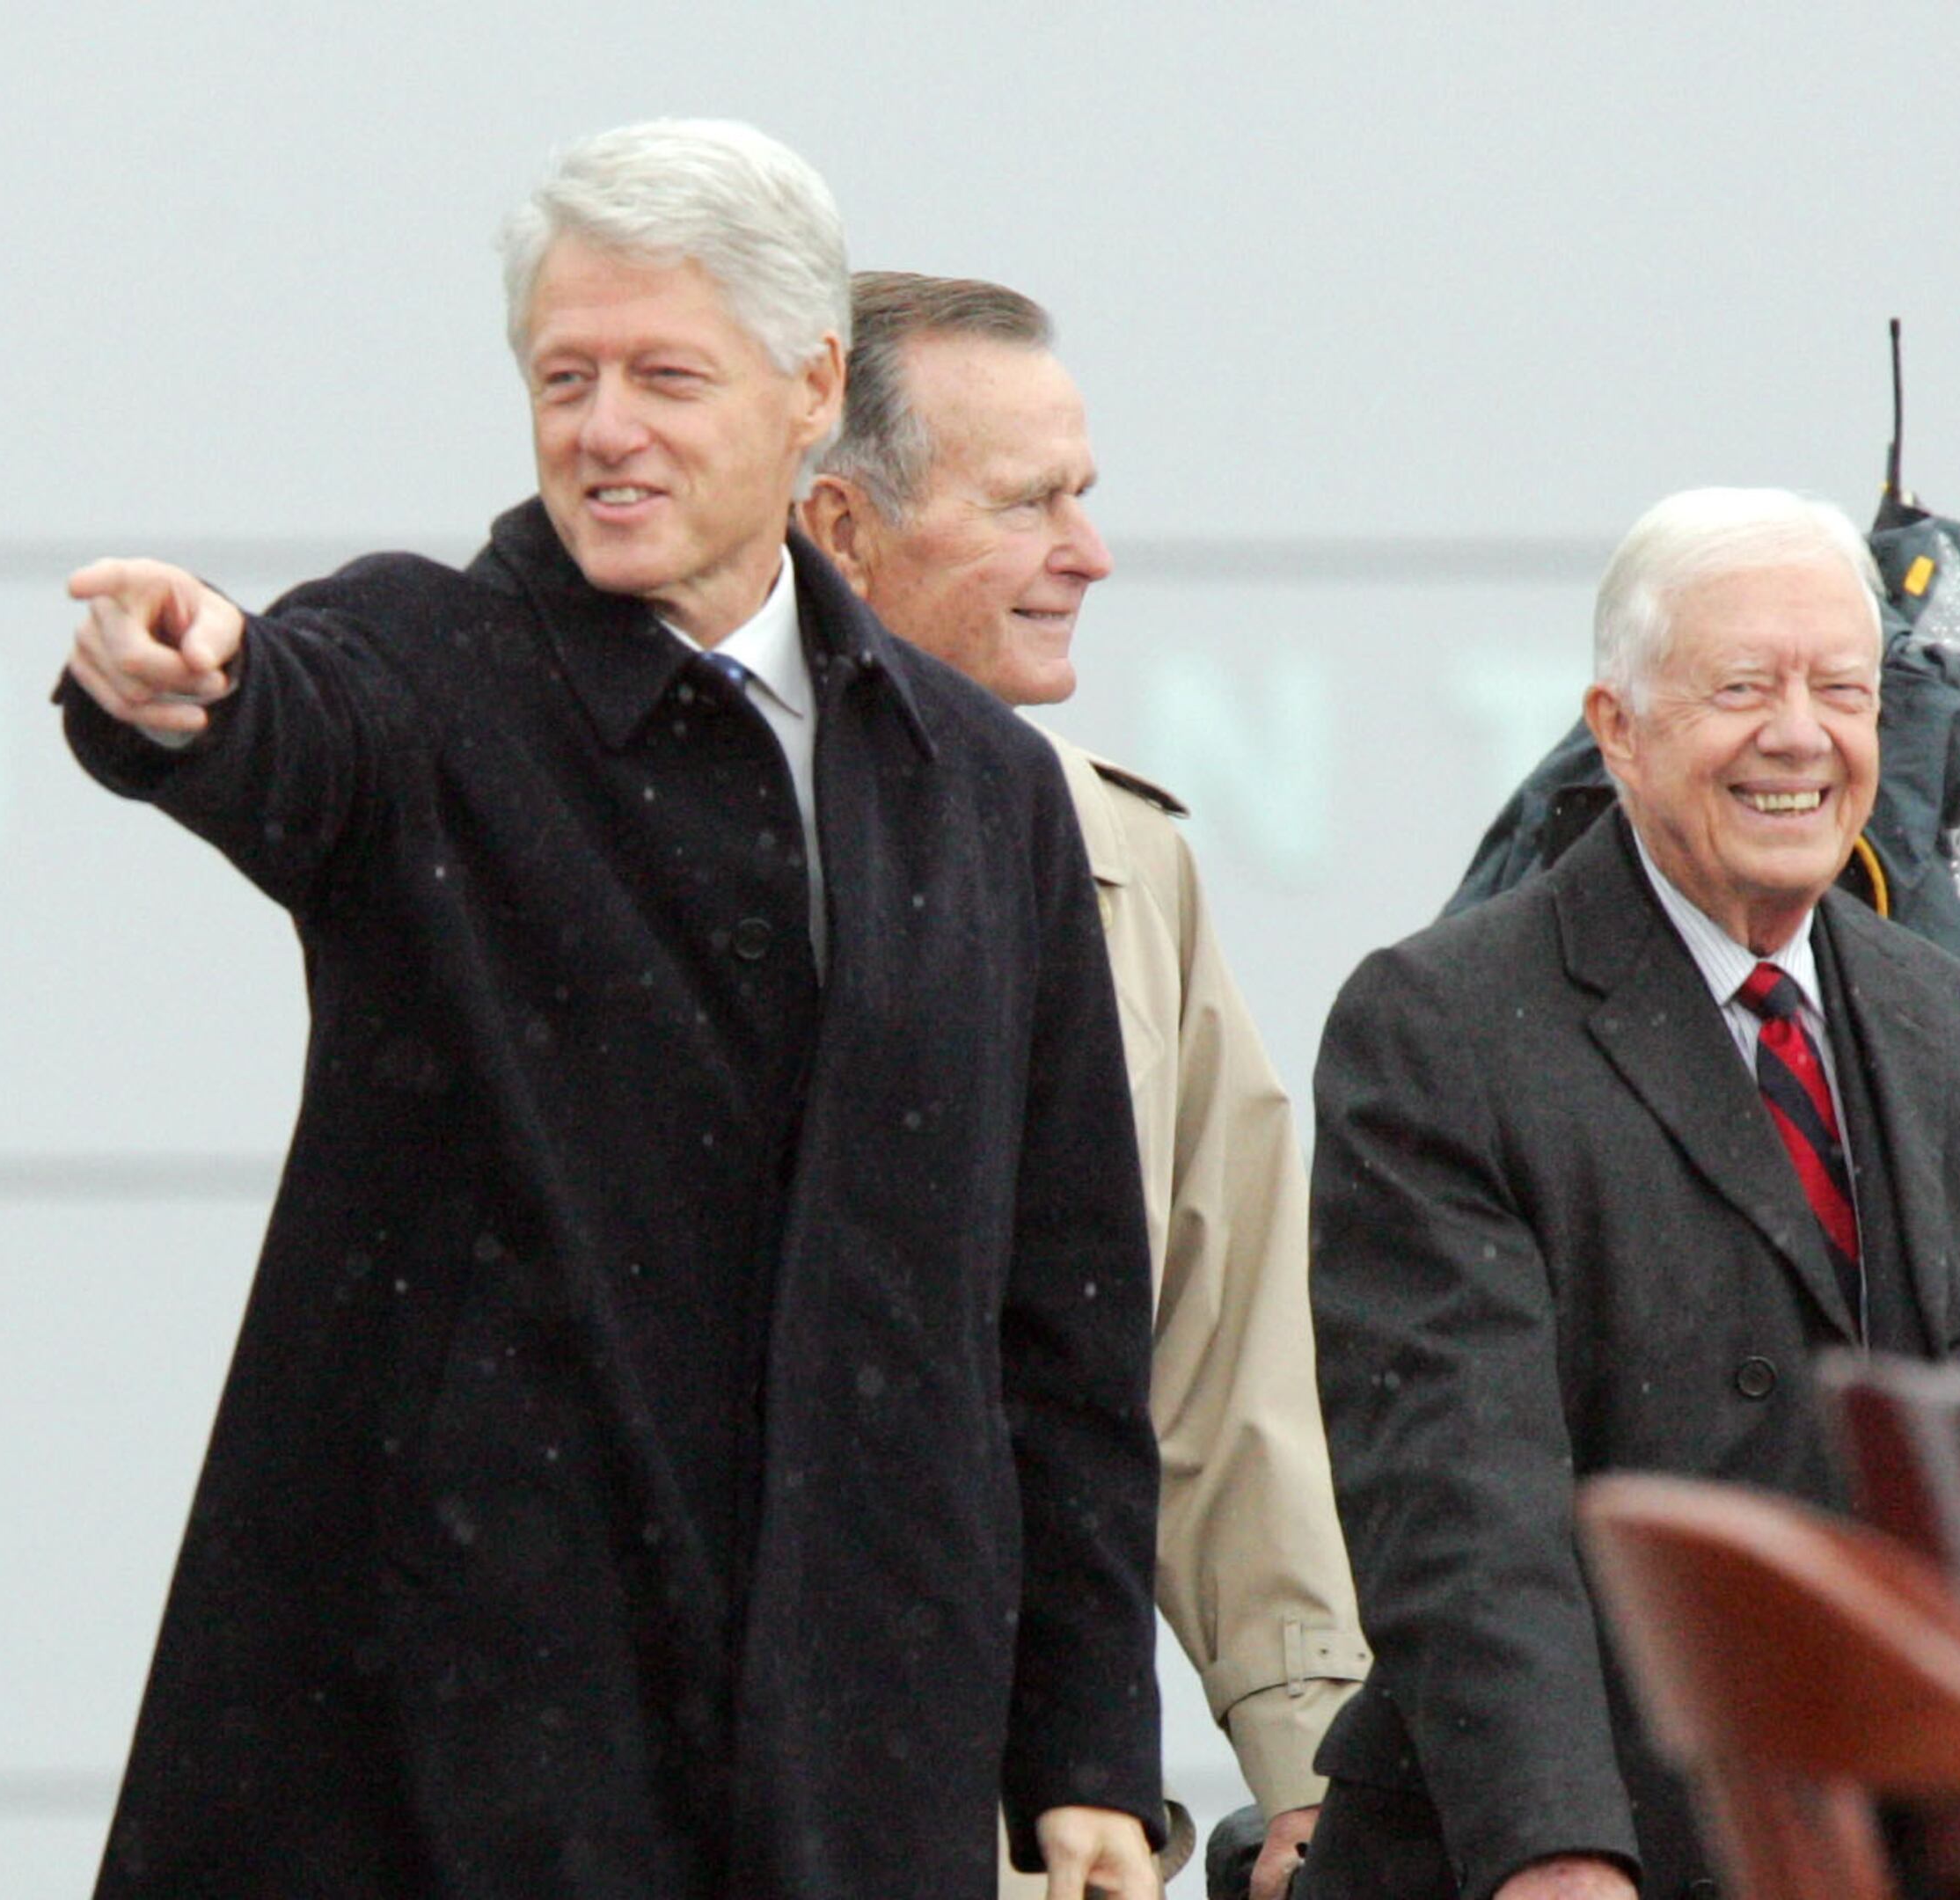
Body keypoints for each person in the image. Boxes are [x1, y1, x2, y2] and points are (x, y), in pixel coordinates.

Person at [59, 121, 1164, 1899]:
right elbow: (286, 719)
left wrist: (1088, 1740)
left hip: (863, 1741)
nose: (603, 428)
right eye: (564, 376)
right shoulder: (425, 668)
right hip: (475, 1734)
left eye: (665, 376)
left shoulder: (979, 785)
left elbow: (1064, 1315)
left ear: (810, 390)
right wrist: (183, 686)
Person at [1300, 488, 1960, 1900]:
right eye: (1741, 688)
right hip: (1588, 1835)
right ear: (1617, 728)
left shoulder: (1937, 1013)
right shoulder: (1440, 1023)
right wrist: (1554, 1847)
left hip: (1894, 1843)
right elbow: (1463, 1506)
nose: (1800, 735)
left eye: (1842, 690)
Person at [799, 271, 1369, 1900]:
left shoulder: (1128, 858)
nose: (1089, 554)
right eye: (1030, 503)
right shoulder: (667, 841)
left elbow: (1223, 1354)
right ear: (841, 527)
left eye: (1086, 498)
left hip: (1042, 1819)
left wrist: (1313, 1756)